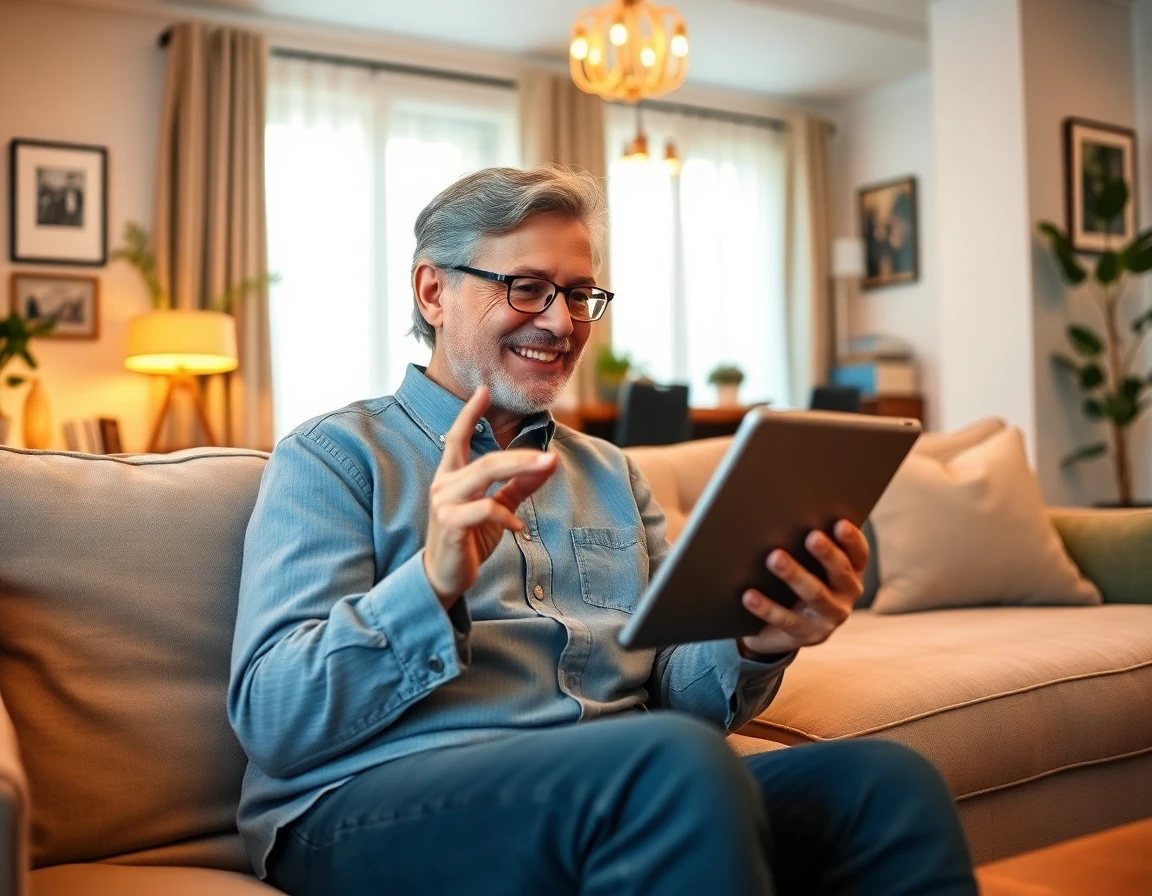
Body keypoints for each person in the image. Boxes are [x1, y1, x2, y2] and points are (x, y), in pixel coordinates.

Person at [229, 164, 976, 896]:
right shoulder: (331, 457)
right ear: (433, 291)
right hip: (368, 804)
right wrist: (433, 581)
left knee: (885, 782)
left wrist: (762, 635)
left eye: (581, 295)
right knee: (671, 765)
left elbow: (676, 692)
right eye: (528, 288)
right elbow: (273, 719)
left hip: (621, 778)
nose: (561, 323)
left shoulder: (612, 472)